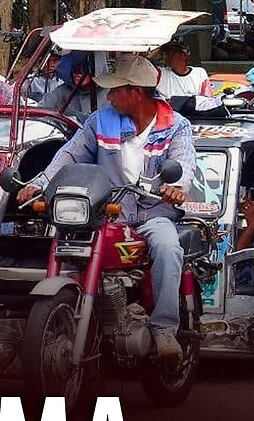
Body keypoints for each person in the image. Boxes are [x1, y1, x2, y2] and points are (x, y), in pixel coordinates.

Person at [16, 54, 195, 359]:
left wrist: (176, 189)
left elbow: (183, 164)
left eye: (115, 90)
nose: (108, 96)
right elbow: (69, 156)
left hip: (155, 212)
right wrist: (38, 184)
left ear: (135, 92)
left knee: (167, 247)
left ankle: (164, 329)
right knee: (71, 240)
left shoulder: (176, 125)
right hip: (111, 212)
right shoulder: (101, 120)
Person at [40, 55, 108, 120]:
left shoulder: (108, 93)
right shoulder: (64, 90)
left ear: (95, 71)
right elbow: (41, 109)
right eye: (75, 70)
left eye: (83, 70)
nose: (77, 74)